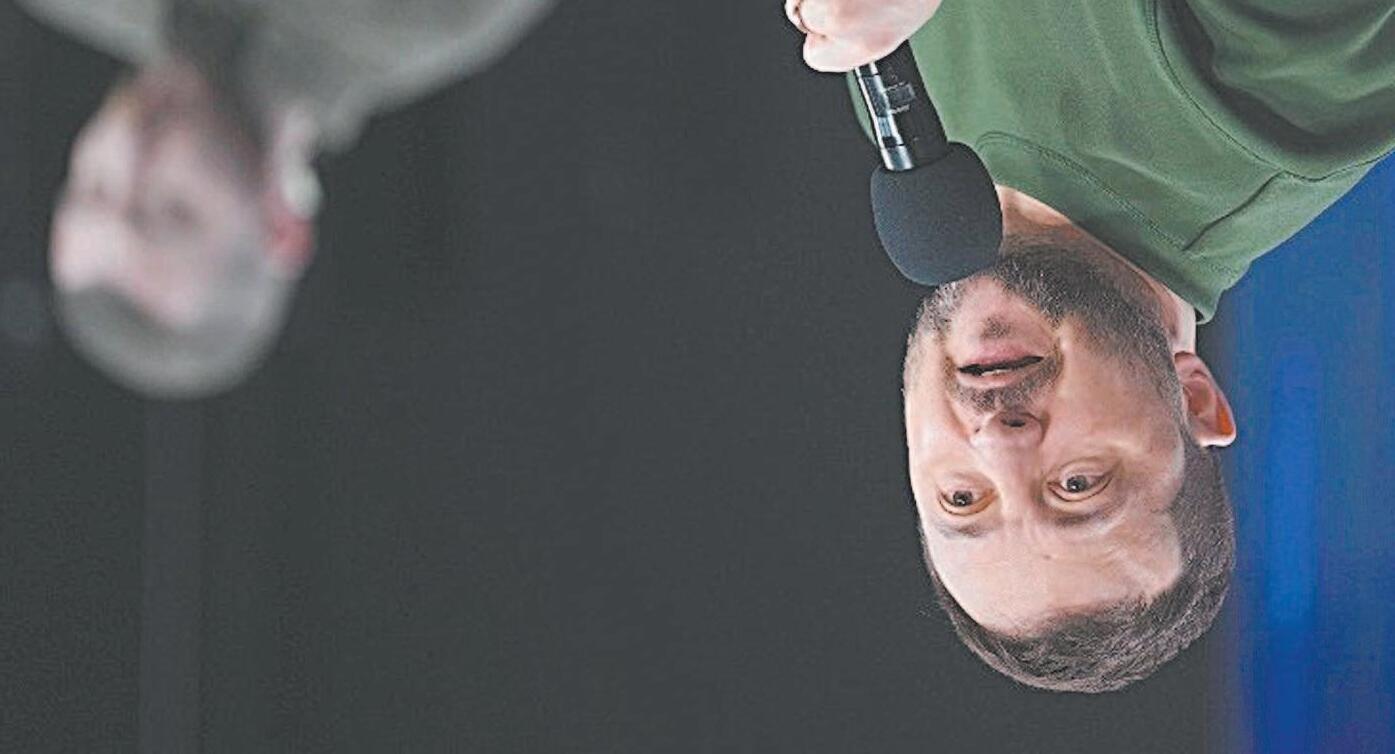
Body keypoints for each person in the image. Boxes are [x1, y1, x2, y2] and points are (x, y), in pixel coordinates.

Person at [786, 0, 1395, 691]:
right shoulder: (1289, 102)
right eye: (1077, 485)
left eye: (961, 498)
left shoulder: (912, 132)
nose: (998, 441)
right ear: (1193, 400)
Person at [19, 0, 551, 398]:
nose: (129, 145)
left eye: (94, 185)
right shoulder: (436, 13)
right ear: (282, 228)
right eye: (171, 208)